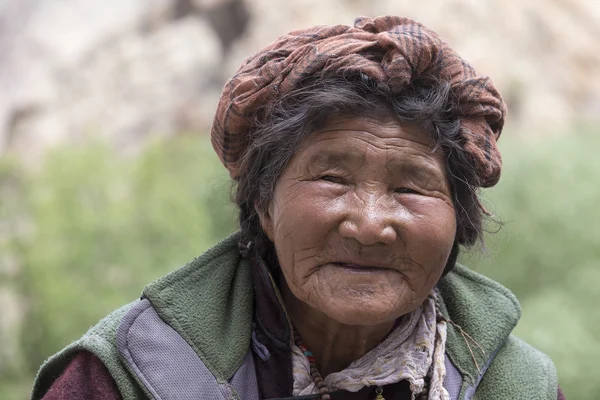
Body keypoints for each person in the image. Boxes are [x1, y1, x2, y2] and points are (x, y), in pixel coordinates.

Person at [32, 16, 564, 400]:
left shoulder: (515, 386)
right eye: (332, 178)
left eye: (411, 188)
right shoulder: (124, 377)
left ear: (458, 222)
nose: (369, 224)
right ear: (263, 204)